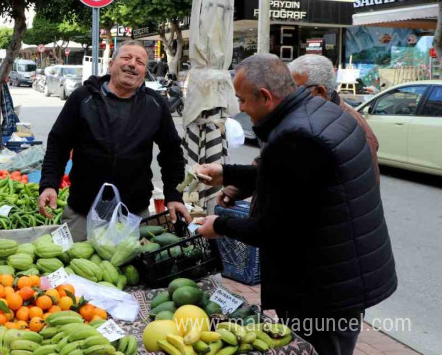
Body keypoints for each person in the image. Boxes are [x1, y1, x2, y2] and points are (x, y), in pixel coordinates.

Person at [194, 54, 397, 355]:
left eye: (243, 100)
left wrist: (219, 225)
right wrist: (227, 174)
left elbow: (272, 228)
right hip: (341, 274)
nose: (241, 109)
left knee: (320, 348)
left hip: (323, 287)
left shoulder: (295, 135)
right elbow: (294, 177)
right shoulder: (322, 112)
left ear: (265, 96)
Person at [38, 40, 189, 241]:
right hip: (83, 211)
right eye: (126, 58)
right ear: (111, 64)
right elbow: (59, 144)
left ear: (144, 72)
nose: (133, 64)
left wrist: (173, 195)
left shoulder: (155, 104)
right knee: (75, 265)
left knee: (129, 270)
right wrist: (49, 184)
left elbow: (172, 154)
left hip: (133, 214)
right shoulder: (83, 98)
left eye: (140, 62)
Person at [289, 54, 380, 182]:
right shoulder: (307, 116)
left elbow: (366, 184)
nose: (291, 95)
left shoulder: (353, 125)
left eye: (296, 89)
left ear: (320, 92)